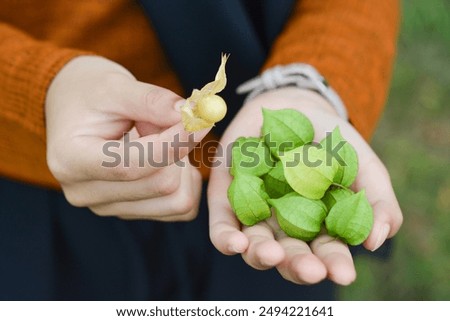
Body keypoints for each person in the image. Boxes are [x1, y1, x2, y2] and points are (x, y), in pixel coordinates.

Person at [0, 0, 403, 300]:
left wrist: (308, 80)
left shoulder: (270, 194)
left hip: (249, 229)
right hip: (35, 198)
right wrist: (40, 85)